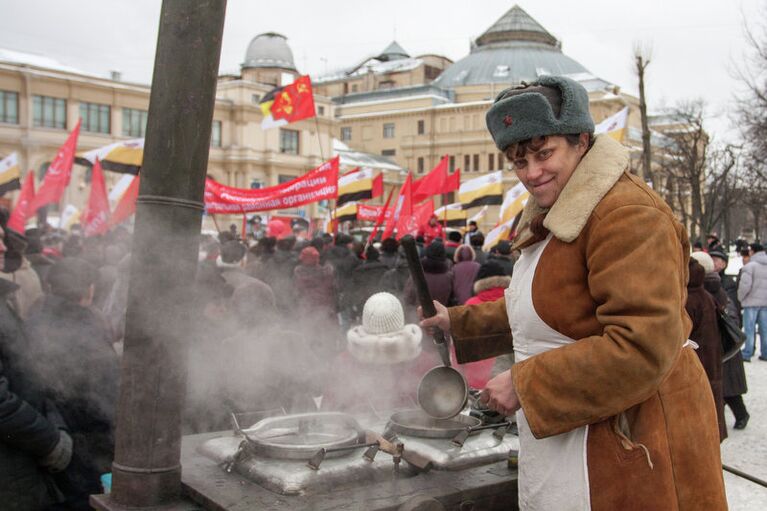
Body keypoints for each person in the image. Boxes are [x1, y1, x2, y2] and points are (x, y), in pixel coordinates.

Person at [420, 76, 726, 509]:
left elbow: (642, 347)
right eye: (518, 161)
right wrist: (456, 321)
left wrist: (528, 385)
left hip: (633, 439)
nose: (531, 173)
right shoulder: (555, 210)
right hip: (574, 436)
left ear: (581, 141)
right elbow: (544, 312)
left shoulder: (628, 214)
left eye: (545, 154)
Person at [322, 292, 437, 414]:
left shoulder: (343, 363)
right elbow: (438, 415)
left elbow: (328, 415)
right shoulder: (425, 362)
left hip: (359, 430)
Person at [709, 248, 750, 429]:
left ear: (725, 264)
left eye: (718, 260)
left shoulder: (727, 284)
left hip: (727, 342)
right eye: (713, 259)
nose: (715, 262)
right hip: (718, 344)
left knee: (729, 389)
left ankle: (741, 415)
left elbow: (732, 312)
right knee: (722, 387)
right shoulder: (709, 284)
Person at [688, 253, 726, 441]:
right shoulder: (705, 295)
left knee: (701, 431)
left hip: (698, 367)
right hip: (711, 364)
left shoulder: (688, 299)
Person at [737, 243, 767, 361]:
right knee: (764, 329)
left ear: (752, 251)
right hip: (765, 303)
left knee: (749, 329)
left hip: (751, 302)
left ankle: (748, 352)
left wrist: (740, 298)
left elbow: (745, 286)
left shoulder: (750, 266)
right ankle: (765, 352)